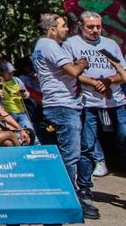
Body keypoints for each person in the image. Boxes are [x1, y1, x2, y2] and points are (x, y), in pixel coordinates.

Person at [32, 12, 96, 219]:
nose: (67, 29)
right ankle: (69, 201)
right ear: (52, 29)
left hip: (61, 105)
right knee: (70, 156)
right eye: (63, 26)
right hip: (62, 107)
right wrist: (82, 62)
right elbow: (73, 71)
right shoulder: (49, 45)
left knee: (65, 155)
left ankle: (64, 198)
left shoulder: (43, 47)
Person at [64, 11, 126, 203]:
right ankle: (84, 189)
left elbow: (123, 71)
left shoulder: (110, 44)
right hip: (87, 103)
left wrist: (108, 80)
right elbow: (69, 71)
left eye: (98, 26)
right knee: (87, 147)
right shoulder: (71, 44)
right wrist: (92, 82)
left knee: (124, 139)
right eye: (91, 27)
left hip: (116, 101)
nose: (95, 30)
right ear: (81, 26)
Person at [0, 61, 38, 144]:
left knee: (32, 133)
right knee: (15, 137)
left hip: (21, 112)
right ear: (2, 72)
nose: (11, 74)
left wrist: (23, 94)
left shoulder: (17, 80)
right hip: (9, 115)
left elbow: (27, 95)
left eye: (12, 72)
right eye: (8, 72)